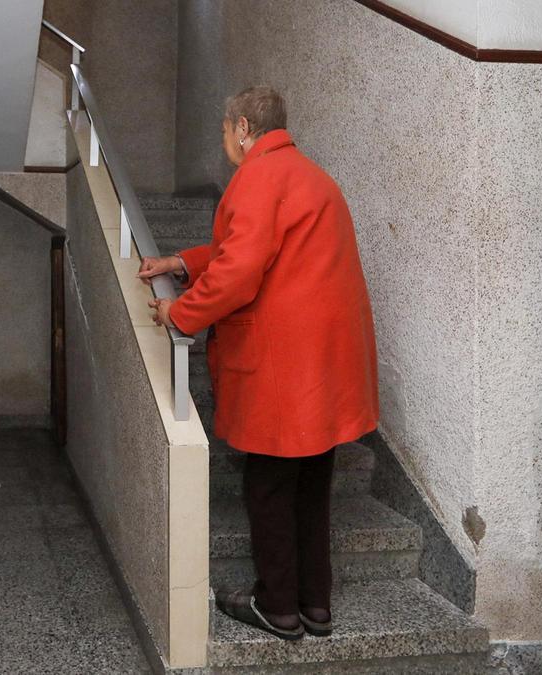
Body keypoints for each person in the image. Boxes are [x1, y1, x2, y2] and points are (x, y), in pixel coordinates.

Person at [138, 86, 379, 641]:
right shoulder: (311, 176)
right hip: (325, 367)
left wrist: (181, 312)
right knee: (312, 486)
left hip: (282, 369)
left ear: (243, 127)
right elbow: (258, 249)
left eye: (225, 132)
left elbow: (239, 272)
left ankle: (277, 606)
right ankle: (315, 604)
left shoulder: (257, 177)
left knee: (269, 488)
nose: (224, 141)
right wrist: (182, 259)